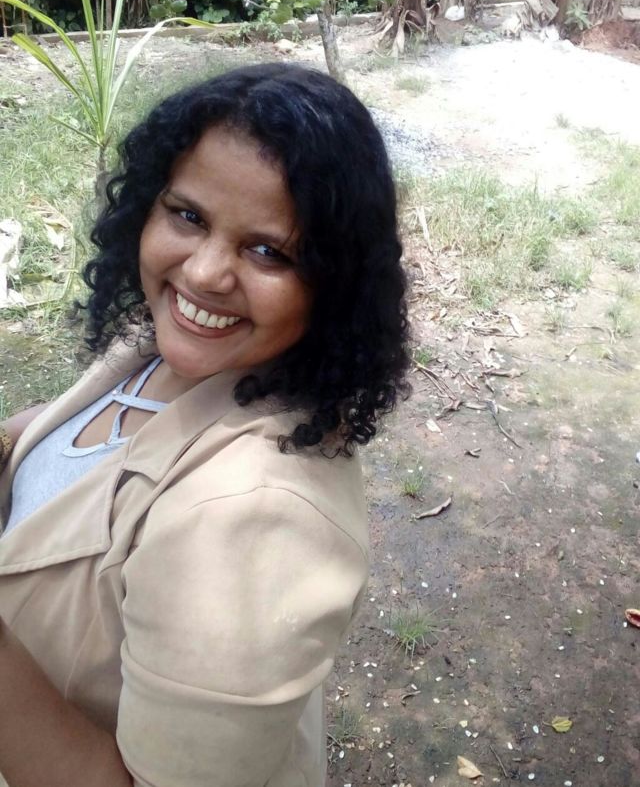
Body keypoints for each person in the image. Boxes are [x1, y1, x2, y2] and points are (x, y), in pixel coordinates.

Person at [0, 62, 409, 787]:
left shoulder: (254, 522)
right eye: (187, 216)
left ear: (335, 283)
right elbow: (97, 452)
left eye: (268, 251)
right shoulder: (178, 350)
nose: (203, 274)